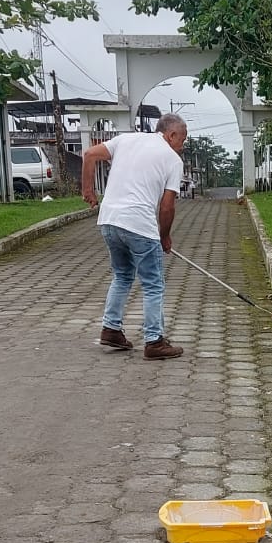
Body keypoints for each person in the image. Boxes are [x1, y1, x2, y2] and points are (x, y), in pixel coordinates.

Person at [81, 114, 188, 360]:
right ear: (171, 135)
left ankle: (111, 329)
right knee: (153, 283)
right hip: (139, 224)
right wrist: (164, 236)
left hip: (109, 220)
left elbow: (89, 154)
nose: (182, 145)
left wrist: (88, 190)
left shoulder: (126, 140)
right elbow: (167, 207)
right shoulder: (172, 160)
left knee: (122, 275)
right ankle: (154, 341)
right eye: (182, 140)